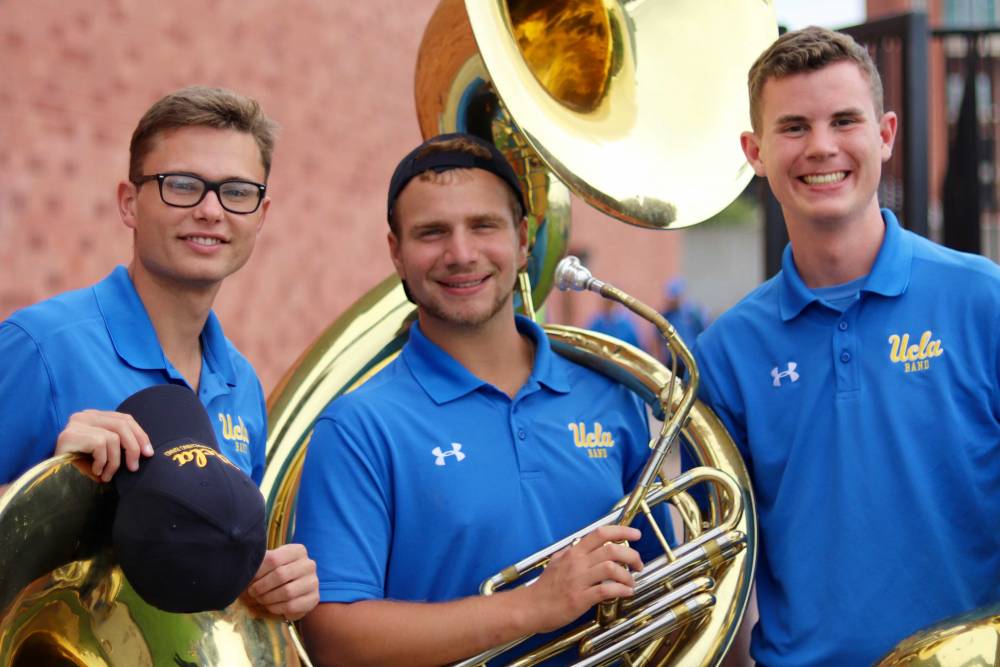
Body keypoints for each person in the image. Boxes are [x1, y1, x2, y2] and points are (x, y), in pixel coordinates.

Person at [294, 133, 666, 666]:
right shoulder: (358, 425)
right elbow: (335, 638)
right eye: (432, 232)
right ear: (397, 254)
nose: (461, 253)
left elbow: (664, 586)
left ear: (522, 241)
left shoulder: (610, 396)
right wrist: (533, 606)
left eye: (483, 226)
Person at [693, 27, 1000, 666]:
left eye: (844, 120)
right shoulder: (725, 352)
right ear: (754, 151)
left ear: (885, 134)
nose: (822, 147)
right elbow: (718, 578)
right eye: (794, 127)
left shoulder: (983, 301)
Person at [0, 86, 318, 621]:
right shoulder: (40, 347)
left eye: (236, 191)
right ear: (130, 202)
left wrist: (268, 582)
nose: (211, 210)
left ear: (260, 215)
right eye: (184, 186)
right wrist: (44, 490)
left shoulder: (242, 385)